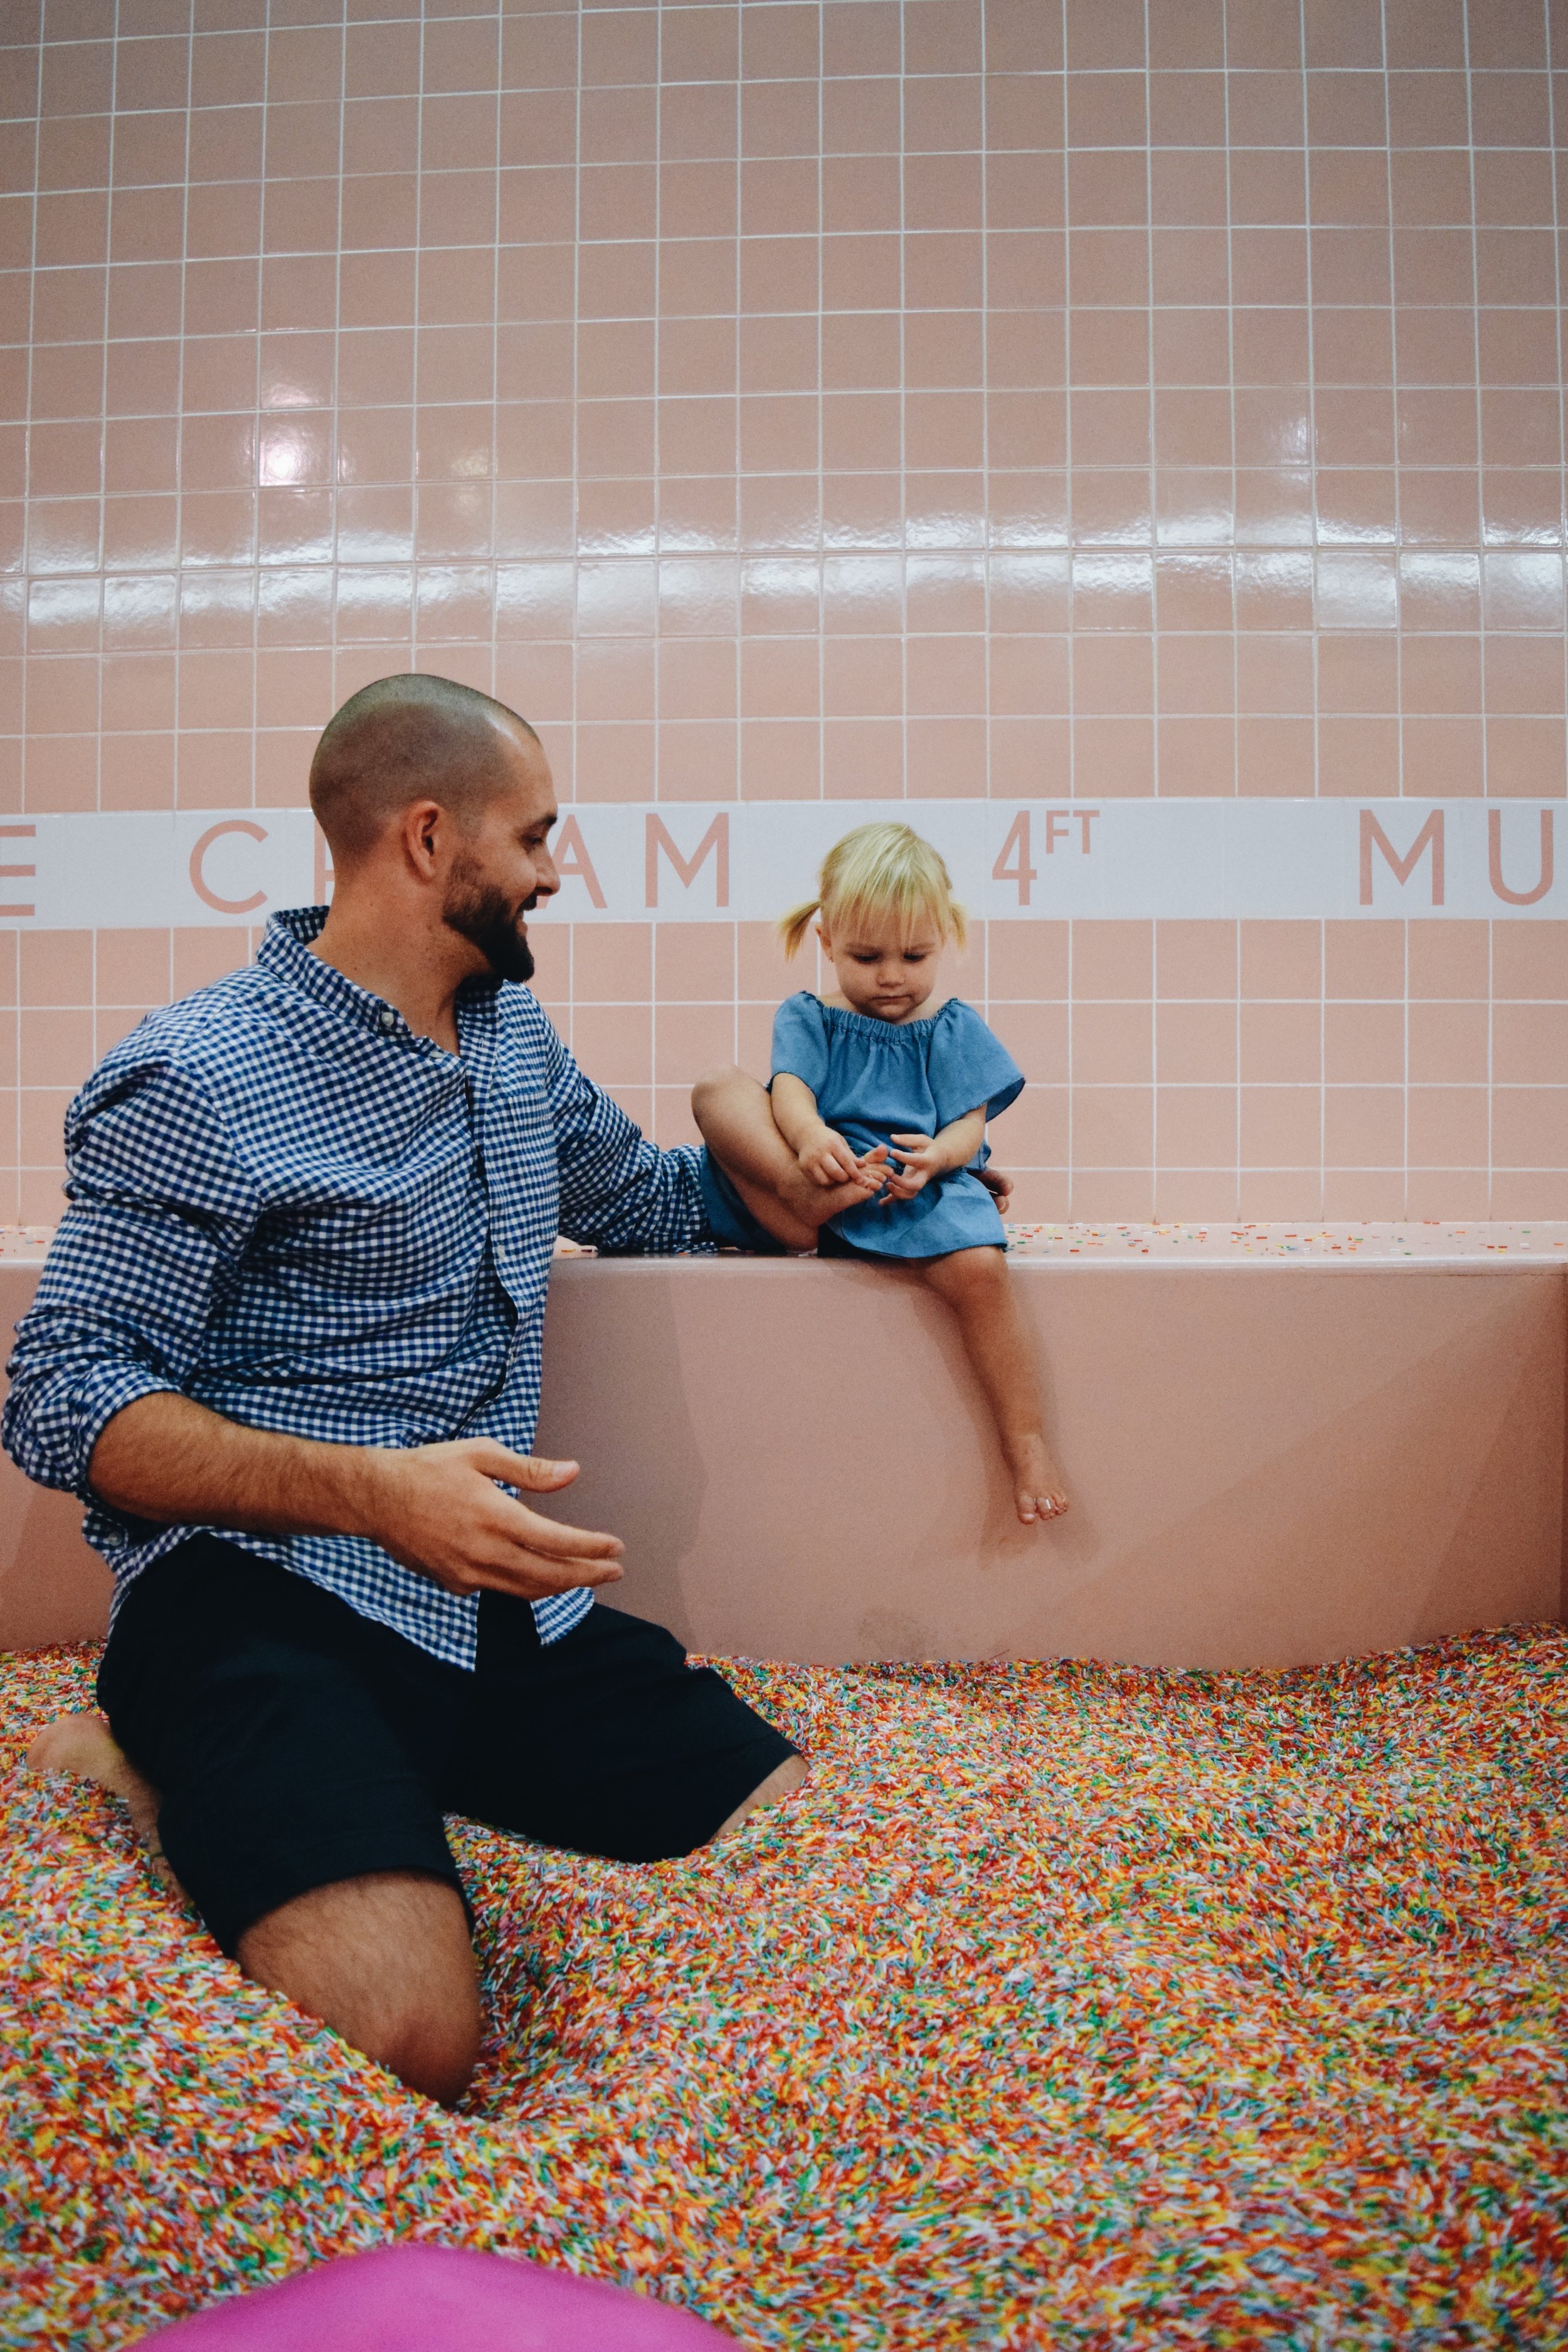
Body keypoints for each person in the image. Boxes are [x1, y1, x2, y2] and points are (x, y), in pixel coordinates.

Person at [4, 673, 884, 2109]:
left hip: (492, 1606)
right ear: (428, 839)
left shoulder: (509, 1042)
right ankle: (153, 1752)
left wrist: (812, 1128)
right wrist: (370, 1491)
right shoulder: (195, 1074)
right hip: (259, 1599)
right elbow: (61, 1396)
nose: (552, 869)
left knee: (805, 1841)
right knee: (408, 2030)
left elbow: (662, 1202)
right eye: (534, 835)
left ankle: (369, 1780)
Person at [691, 822, 1069, 1529]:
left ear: (944, 937)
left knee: (983, 1273)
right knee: (717, 1087)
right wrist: (809, 1142)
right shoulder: (811, 1016)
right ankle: (814, 1193)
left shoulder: (949, 1026)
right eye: (865, 956)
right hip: (827, 1181)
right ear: (828, 941)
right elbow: (791, 1091)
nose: (891, 976)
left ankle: (1026, 1440)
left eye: (914, 955)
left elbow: (968, 1122)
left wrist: (945, 1159)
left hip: (909, 1182)